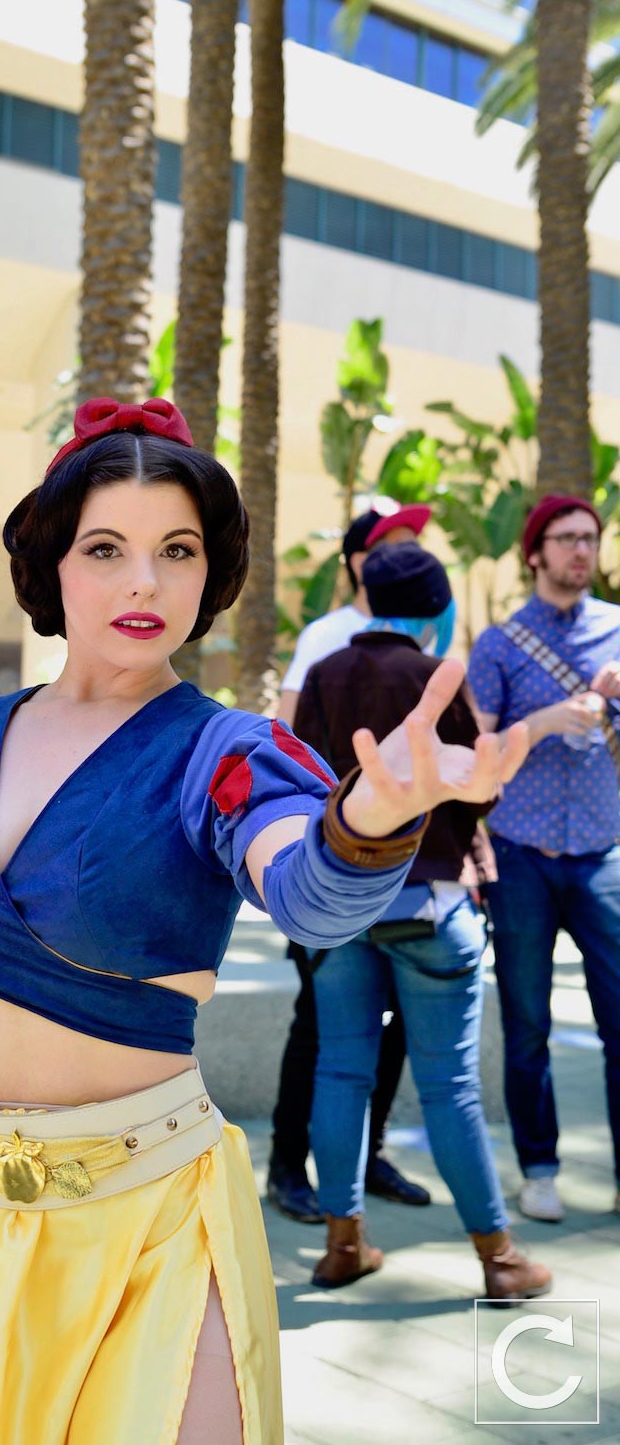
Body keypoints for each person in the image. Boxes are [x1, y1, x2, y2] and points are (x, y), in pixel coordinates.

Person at [0, 398, 525, 1445]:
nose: (143, 583)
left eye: (177, 550)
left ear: (210, 573)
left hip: (150, 1224)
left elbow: (309, 894)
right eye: (105, 548)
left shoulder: (224, 752)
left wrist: (370, 820)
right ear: (52, 563)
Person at [297, 542, 550, 1300]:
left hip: (339, 908)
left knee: (340, 1070)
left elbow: (304, 786)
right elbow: (476, 787)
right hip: (432, 905)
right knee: (449, 1087)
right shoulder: (434, 675)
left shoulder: (323, 674)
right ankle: (500, 1260)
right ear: (437, 608)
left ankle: (343, 1246)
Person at [268, 500, 433, 1222]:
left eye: (417, 542)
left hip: (412, 874)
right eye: (396, 542)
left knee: (395, 1023)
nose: (412, 552)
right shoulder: (326, 637)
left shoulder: (428, 637)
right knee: (317, 1022)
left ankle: (369, 1156)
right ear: (359, 561)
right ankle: (286, 1166)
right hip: (332, 868)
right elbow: (287, 740)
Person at [468, 494, 620, 1223]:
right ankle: (539, 1170)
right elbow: (479, 756)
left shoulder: (618, 632)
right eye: (565, 538)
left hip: (603, 854)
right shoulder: (499, 644)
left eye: (589, 537)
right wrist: (547, 721)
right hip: (520, 855)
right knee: (527, 1025)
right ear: (535, 552)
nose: (581, 550)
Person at [276, 502, 430, 731]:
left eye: (414, 548)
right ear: (360, 564)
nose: (412, 559)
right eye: (398, 549)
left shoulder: (424, 631)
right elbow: (286, 726)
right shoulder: (325, 634)